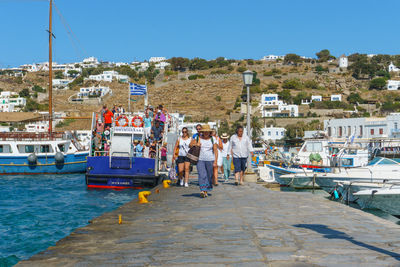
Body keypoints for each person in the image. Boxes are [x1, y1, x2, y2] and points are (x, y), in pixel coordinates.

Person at [190, 124, 218, 198]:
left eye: (207, 132)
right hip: (200, 159)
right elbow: (190, 145)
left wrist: (215, 161)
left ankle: (206, 190)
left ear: (209, 132)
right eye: (204, 131)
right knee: (202, 175)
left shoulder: (213, 139)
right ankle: (202, 190)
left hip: (210, 159)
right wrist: (196, 144)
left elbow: (215, 150)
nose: (206, 133)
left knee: (209, 175)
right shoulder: (197, 138)